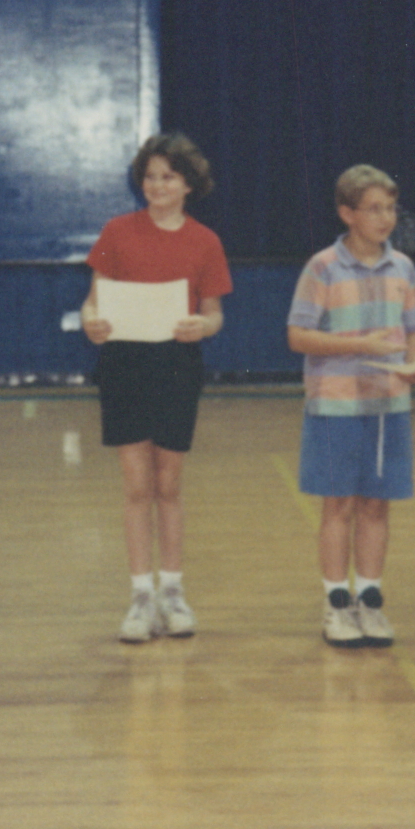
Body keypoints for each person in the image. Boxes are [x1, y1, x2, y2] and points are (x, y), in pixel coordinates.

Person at [81, 133, 232, 643]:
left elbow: (214, 314)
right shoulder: (117, 232)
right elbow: (92, 301)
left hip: (176, 366)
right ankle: (140, 596)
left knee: (168, 486)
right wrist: (91, 322)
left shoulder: (205, 242)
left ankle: (173, 591)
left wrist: (201, 326)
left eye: (168, 176)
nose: (157, 185)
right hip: (124, 364)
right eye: (149, 176)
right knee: (136, 487)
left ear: (188, 184)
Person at [287, 165, 415, 648]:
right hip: (336, 406)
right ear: (347, 213)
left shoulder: (404, 268)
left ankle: (369, 602)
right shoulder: (323, 267)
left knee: (376, 505)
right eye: (373, 209)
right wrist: (358, 345)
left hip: (388, 406)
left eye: (390, 208)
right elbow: (298, 335)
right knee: (339, 506)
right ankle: (336, 604)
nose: (385, 218)